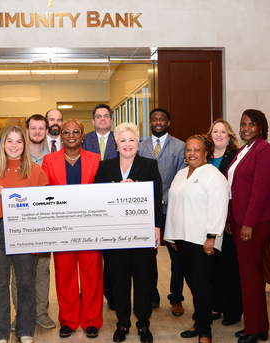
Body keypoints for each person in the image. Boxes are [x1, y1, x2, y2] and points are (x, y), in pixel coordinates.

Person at [94, 122, 163, 343]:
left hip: (142, 233)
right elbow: (97, 198)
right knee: (120, 281)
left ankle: (143, 324)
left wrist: (157, 227)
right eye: (122, 140)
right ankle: (122, 324)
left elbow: (156, 198)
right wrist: (116, 189)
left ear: (138, 143)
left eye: (131, 140)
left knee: (144, 280)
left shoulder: (150, 165)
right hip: (115, 235)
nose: (127, 144)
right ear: (116, 144)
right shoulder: (105, 167)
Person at [0, 125, 49, 343]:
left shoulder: (36, 172)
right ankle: (0, 335)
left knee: (26, 283)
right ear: (3, 145)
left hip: (26, 230)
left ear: (24, 145)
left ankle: (25, 331)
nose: (14, 146)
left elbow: (43, 206)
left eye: (18, 142)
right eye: (9, 141)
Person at [42, 119, 103, 339]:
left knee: (92, 276)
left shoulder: (95, 159)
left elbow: (102, 193)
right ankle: (68, 320)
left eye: (75, 131)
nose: (70, 135)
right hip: (62, 229)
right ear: (61, 136)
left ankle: (92, 320)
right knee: (65, 277)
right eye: (66, 131)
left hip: (90, 229)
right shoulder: (49, 160)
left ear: (83, 135)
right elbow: (44, 192)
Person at [164, 134, 228, 343]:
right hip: (182, 239)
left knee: (200, 286)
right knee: (192, 283)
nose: (191, 153)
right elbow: (173, 206)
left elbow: (219, 208)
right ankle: (199, 321)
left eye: (196, 150)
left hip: (203, 241)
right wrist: (171, 235)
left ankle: (205, 330)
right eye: (188, 150)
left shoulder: (214, 175)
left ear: (206, 153)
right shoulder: (181, 174)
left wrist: (212, 236)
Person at [226, 109, 270, 343]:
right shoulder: (243, 150)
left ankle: (254, 329)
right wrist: (230, 219)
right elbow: (232, 188)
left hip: (255, 222)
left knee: (250, 275)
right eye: (243, 124)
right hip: (239, 221)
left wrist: (248, 223)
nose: (246, 128)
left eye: (252, 124)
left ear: (261, 127)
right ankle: (258, 325)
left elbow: (260, 189)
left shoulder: (264, 150)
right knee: (250, 274)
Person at [138, 108, 186, 315]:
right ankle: (152, 296)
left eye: (162, 119)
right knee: (149, 255)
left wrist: (163, 196)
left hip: (171, 207)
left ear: (169, 122)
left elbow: (182, 175)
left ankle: (176, 299)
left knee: (177, 255)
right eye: (154, 119)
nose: (158, 122)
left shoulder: (180, 146)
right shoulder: (140, 145)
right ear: (150, 122)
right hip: (146, 209)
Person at [81, 103, 118, 311]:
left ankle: (111, 294)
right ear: (93, 121)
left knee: (111, 254)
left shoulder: (120, 137)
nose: (102, 119)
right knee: (90, 253)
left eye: (106, 116)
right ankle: (87, 292)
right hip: (90, 200)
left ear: (111, 120)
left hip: (114, 201)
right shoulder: (84, 140)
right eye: (98, 116)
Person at [206, 118, 243, 325]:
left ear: (229, 136)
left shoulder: (236, 157)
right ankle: (216, 306)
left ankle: (233, 310)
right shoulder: (205, 157)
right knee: (213, 267)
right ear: (210, 136)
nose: (219, 135)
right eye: (215, 132)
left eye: (223, 132)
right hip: (207, 220)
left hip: (228, 219)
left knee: (230, 266)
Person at [23, 114, 56, 330]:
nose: (37, 132)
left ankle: (41, 312)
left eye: (41, 128)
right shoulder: (16, 154)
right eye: (33, 128)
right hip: (22, 221)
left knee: (43, 269)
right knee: (22, 270)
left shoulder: (53, 157)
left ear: (47, 131)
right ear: (27, 131)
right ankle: (23, 313)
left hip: (46, 221)